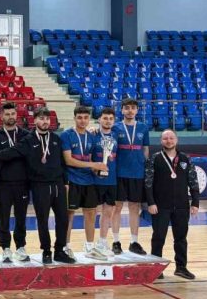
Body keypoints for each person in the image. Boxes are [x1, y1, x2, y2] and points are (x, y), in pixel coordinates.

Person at [0, 107, 76, 265]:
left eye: (47, 119)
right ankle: (46, 251)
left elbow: (62, 163)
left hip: (57, 185)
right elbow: (11, 151)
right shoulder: (28, 139)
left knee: (63, 219)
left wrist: (65, 182)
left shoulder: (56, 138)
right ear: (34, 120)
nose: (45, 121)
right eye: (41, 118)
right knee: (42, 220)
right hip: (38, 185)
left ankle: (59, 251)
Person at [145, 130, 199, 280]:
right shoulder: (154, 158)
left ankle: (181, 268)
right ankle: (156, 269)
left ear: (176, 140)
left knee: (181, 238)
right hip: (160, 206)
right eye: (165, 138)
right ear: (161, 141)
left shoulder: (185, 159)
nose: (168, 141)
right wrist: (151, 202)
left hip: (182, 206)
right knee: (158, 237)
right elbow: (148, 183)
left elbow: (193, 181)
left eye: (171, 138)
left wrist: (195, 202)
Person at [61, 106, 109, 260]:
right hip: (72, 179)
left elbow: (92, 159)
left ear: (89, 119)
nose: (83, 121)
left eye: (85, 118)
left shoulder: (92, 137)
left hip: (88, 180)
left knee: (91, 213)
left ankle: (89, 246)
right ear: (74, 118)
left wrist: (99, 170)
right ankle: (65, 246)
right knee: (69, 214)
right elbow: (68, 160)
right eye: (80, 117)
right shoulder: (66, 135)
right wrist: (93, 165)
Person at [113, 98, 151, 255]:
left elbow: (145, 149)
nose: (130, 110)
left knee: (134, 207)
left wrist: (144, 165)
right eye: (127, 108)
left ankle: (134, 242)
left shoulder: (143, 127)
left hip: (137, 173)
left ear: (137, 110)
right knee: (116, 207)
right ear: (122, 110)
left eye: (133, 108)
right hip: (119, 173)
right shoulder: (115, 127)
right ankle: (116, 241)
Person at [0, 102, 30, 262]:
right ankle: (5, 248)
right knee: (4, 217)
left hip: (23, 183)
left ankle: (20, 246)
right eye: (7, 114)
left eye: (13, 114)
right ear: (1, 116)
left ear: (17, 115)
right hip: (4, 183)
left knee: (21, 217)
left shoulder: (26, 135)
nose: (10, 117)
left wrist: (4, 155)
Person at [92, 108, 118, 255]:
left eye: (110, 119)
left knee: (108, 212)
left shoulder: (116, 135)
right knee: (92, 212)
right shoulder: (93, 134)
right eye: (105, 118)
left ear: (114, 121)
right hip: (95, 180)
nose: (108, 121)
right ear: (99, 119)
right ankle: (89, 243)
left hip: (111, 180)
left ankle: (102, 241)